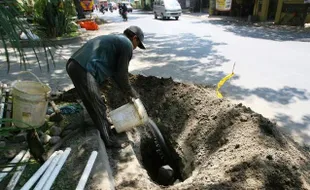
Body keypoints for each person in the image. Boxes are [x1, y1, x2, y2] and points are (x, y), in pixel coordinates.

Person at [66, 26, 146, 148]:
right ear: (134, 38)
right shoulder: (126, 44)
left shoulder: (117, 40)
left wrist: (126, 93)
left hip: (74, 65)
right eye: (137, 44)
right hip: (84, 69)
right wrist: (132, 94)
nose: (135, 48)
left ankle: (101, 126)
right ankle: (109, 141)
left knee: (92, 103)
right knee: (99, 106)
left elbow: (116, 75)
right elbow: (122, 75)